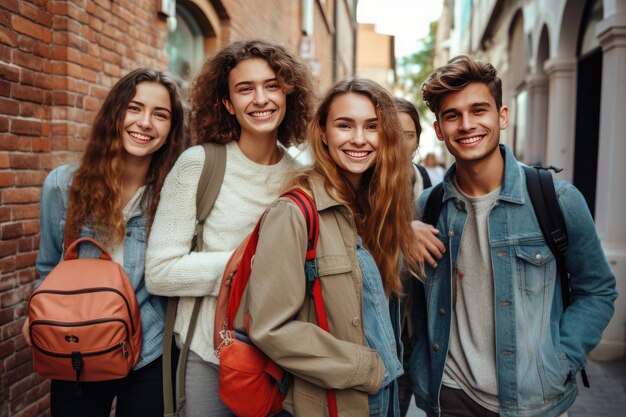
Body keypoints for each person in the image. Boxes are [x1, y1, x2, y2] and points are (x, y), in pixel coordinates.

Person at [409, 55, 617, 417]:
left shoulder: (557, 199)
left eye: (479, 110)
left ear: (502, 116)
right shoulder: (428, 207)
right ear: (440, 129)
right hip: (450, 397)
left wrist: (559, 360)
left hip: (534, 402)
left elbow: (597, 290)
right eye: (452, 115)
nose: (467, 124)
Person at [144, 40, 315, 416]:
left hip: (282, 361)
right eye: (245, 89)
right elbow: (160, 272)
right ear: (227, 103)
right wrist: (253, 263)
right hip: (210, 355)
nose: (261, 98)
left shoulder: (301, 177)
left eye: (272, 85)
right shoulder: (198, 164)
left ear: (288, 94)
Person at [233, 77, 422, 417]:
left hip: (381, 402)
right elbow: (269, 327)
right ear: (322, 132)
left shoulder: (379, 209)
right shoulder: (294, 213)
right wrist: (366, 368)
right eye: (344, 125)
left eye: (372, 127)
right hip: (327, 403)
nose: (359, 139)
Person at [22, 68, 190, 417]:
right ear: (115, 113)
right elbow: (50, 265)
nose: (145, 123)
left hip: (151, 350)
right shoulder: (63, 187)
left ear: (171, 129)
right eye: (134, 108)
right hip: (78, 346)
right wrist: (37, 311)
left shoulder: (175, 196)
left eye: (160, 115)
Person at [395, 98, 432, 200]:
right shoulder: (363, 178)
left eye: (409, 135)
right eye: (394, 135)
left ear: (417, 140)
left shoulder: (421, 175)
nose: (401, 143)